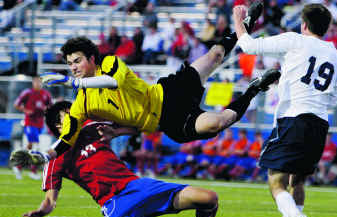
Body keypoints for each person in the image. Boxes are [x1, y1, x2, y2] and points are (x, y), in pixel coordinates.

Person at [22, 2, 273, 164]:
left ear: (91, 58)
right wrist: (42, 155)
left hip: (168, 92)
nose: (74, 68)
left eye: (77, 61)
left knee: (215, 56)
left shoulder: (109, 63)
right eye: (69, 64)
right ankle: (255, 88)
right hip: (167, 121)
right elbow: (67, 137)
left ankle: (245, 26)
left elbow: (110, 83)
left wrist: (71, 83)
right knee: (218, 123)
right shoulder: (81, 105)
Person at [15, 101, 230, 217]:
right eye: (70, 115)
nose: (77, 117)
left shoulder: (92, 129)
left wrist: (116, 130)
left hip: (139, 187)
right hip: (113, 203)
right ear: (60, 126)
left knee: (209, 198)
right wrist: (41, 212)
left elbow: (134, 128)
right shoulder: (55, 158)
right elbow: (50, 200)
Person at [234, 3, 337, 217]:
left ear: (304, 24)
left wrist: (238, 20)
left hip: (293, 118)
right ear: (326, 28)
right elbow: (334, 100)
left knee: (276, 182)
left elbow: (249, 46)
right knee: (299, 183)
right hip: (319, 123)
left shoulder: (295, 40)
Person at [12, 76, 52, 180]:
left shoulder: (45, 94)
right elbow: (16, 104)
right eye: (36, 82)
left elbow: (50, 107)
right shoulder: (27, 93)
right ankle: (33, 171)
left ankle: (18, 166)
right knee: (35, 146)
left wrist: (46, 110)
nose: (38, 84)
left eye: (40, 82)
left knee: (30, 147)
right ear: (33, 83)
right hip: (29, 122)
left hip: (39, 123)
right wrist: (26, 110)